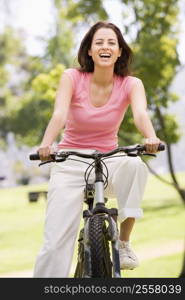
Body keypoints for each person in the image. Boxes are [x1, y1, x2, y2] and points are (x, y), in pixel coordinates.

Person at [33, 21, 161, 277]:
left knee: (135, 164)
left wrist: (151, 137)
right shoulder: (72, 77)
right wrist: (47, 144)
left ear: (120, 51)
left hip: (108, 162)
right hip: (70, 162)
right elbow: (59, 114)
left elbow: (139, 114)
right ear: (89, 51)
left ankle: (123, 242)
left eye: (111, 42)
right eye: (99, 42)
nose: (105, 47)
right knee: (55, 243)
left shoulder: (131, 84)